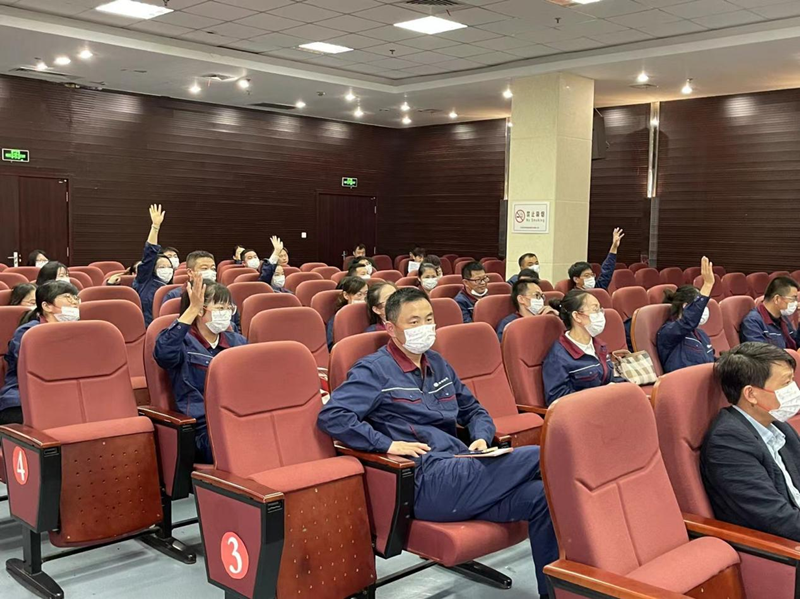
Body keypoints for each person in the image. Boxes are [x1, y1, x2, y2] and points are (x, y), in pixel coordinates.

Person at [317, 288, 558, 596]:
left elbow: (475, 410)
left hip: (464, 466)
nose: (425, 327)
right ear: (390, 328)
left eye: (429, 319)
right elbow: (333, 416)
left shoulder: (438, 364)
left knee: (542, 497)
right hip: (425, 479)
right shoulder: (374, 370)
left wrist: (481, 437)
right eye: (414, 321)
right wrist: (385, 444)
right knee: (543, 456)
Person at [701, 342, 800, 542]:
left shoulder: (778, 425)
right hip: (782, 547)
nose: (794, 389)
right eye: (786, 383)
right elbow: (778, 519)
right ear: (751, 394)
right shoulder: (728, 443)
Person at [154, 276, 246, 464]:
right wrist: (191, 310)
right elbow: (163, 354)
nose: (226, 313)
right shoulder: (183, 342)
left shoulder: (237, 341)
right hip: (205, 427)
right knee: (246, 446)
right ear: (200, 310)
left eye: (229, 308)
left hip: (241, 417)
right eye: (220, 308)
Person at [0, 281, 80, 425]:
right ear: (47, 306)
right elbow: (37, 369)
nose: (74, 302)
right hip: (22, 399)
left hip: (63, 395)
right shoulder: (28, 332)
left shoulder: (79, 330)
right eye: (68, 297)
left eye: (76, 297)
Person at [543, 289, 625, 404]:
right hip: (583, 411)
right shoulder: (559, 356)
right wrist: (600, 395)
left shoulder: (599, 346)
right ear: (577, 316)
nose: (600, 315)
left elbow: (609, 380)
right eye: (595, 310)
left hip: (606, 404)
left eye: (600, 310)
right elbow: (557, 399)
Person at [656, 257, 716, 373]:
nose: (703, 310)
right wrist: (708, 285)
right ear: (685, 306)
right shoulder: (668, 332)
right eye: (701, 306)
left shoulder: (701, 334)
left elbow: (710, 361)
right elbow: (687, 322)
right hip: (683, 382)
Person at [132, 204, 174, 327]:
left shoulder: (174, 287)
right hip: (147, 327)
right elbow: (149, 254)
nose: (166, 270)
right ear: (153, 269)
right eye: (162, 267)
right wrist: (155, 227)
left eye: (169, 267)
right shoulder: (144, 280)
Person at [740, 276, 800, 349]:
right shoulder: (752, 321)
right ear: (777, 299)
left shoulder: (783, 318)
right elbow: (760, 353)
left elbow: (796, 344)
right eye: (793, 299)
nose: (796, 303)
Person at [326, 276, 368, 350]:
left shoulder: (371, 314)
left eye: (366, 294)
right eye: (359, 294)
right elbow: (332, 348)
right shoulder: (336, 320)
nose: (363, 299)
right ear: (346, 295)